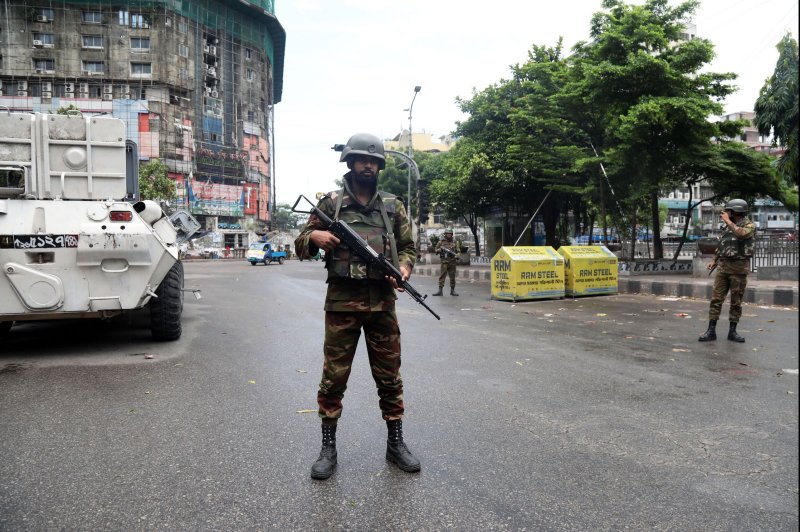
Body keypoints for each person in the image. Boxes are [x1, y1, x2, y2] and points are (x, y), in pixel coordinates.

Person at [294, 133, 421, 480]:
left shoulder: (393, 207)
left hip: (382, 304)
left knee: (389, 376)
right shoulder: (331, 204)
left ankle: (395, 443)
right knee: (333, 378)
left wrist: (405, 269)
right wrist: (315, 238)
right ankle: (328, 447)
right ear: (349, 162)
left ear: (380, 165)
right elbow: (300, 245)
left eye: (374, 160)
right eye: (362, 159)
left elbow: (409, 248)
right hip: (341, 305)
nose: (368, 165)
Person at [698, 199, 755, 343]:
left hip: (738, 268)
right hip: (723, 268)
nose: (726, 213)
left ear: (735, 211)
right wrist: (714, 260)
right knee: (716, 300)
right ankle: (711, 331)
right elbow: (722, 245)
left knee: (736, 302)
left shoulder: (749, 225)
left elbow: (742, 234)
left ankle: (732, 332)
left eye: (728, 211)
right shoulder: (727, 227)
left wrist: (728, 223)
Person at [432, 228, 458, 296]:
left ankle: (452, 291)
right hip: (444, 262)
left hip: (452, 262)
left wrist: (457, 255)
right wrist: (440, 250)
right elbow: (435, 249)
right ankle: (440, 291)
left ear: (452, 234)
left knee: (452, 277)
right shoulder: (441, 242)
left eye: (450, 234)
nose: (449, 235)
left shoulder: (455, 242)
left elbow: (458, 251)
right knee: (442, 276)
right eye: (448, 234)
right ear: (445, 234)